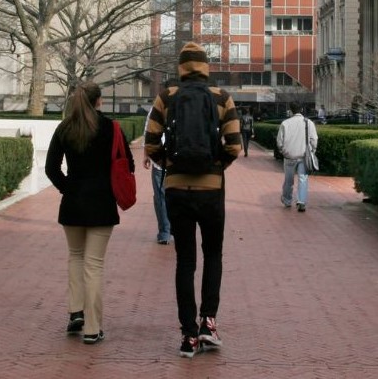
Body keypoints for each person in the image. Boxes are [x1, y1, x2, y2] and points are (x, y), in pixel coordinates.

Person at [144, 42, 242, 358]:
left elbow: (150, 144)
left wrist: (170, 164)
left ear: (181, 68)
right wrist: (215, 167)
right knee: (213, 254)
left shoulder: (166, 97)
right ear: (205, 67)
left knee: (185, 261)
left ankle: (188, 335)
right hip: (211, 190)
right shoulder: (221, 98)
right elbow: (234, 145)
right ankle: (208, 324)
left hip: (176, 189)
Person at [45, 81, 134, 345]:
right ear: (99, 101)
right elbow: (127, 163)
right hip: (102, 203)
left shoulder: (65, 128)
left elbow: (51, 168)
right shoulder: (111, 128)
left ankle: (76, 313)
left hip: (73, 202)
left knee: (75, 257)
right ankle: (93, 328)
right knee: (94, 264)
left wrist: (68, 188)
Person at [276, 101, 318, 213]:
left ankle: (287, 200)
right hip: (304, 156)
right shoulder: (309, 123)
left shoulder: (285, 123)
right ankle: (301, 202)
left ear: (291, 110)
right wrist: (312, 151)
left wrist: (283, 151)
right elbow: (314, 140)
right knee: (303, 179)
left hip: (289, 156)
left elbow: (279, 141)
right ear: (302, 110)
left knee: (288, 180)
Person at [142, 107, 171, 245]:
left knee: (161, 195)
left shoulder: (158, 106)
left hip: (160, 158)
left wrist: (146, 154)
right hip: (182, 160)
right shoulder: (190, 102)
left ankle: (165, 232)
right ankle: (176, 229)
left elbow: (149, 131)